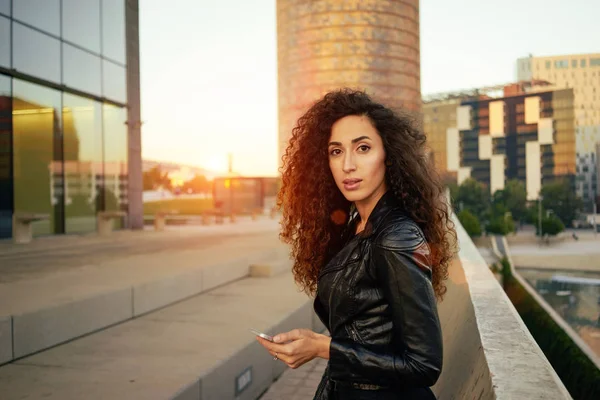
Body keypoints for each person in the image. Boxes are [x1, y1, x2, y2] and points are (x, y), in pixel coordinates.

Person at [256, 89, 457, 399]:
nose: (347, 164)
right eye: (336, 151)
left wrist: (322, 347)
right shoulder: (357, 226)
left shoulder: (395, 238)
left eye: (362, 148)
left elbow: (424, 365)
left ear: (388, 155)